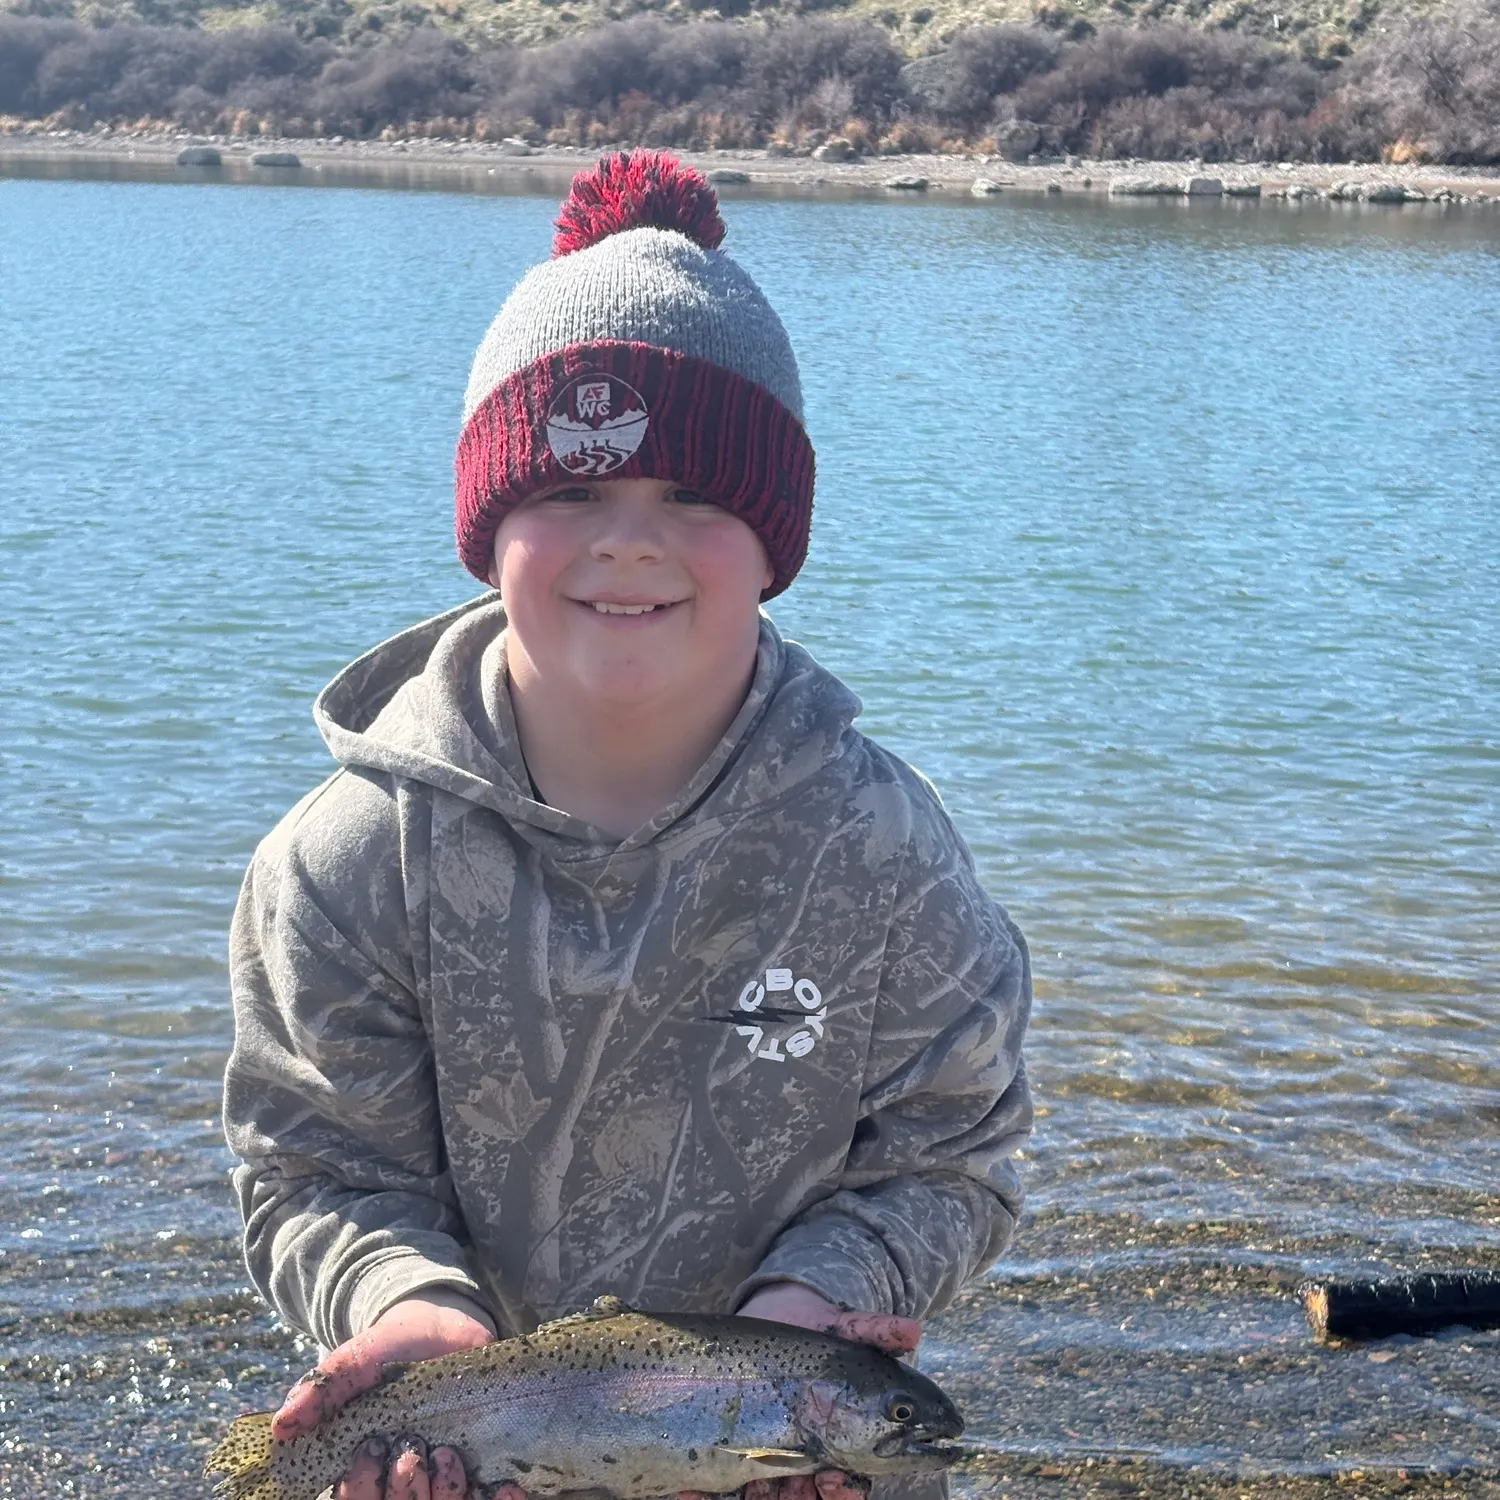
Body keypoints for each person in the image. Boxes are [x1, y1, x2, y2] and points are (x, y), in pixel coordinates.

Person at [223, 149, 1033, 1500]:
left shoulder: (886, 852)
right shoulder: (341, 862)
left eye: (695, 497)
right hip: (464, 1463)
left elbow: (954, 1156)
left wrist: (824, 1303)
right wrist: (400, 1307)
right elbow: (315, 1166)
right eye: (572, 491)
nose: (629, 544)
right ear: (488, 528)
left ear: (779, 538)